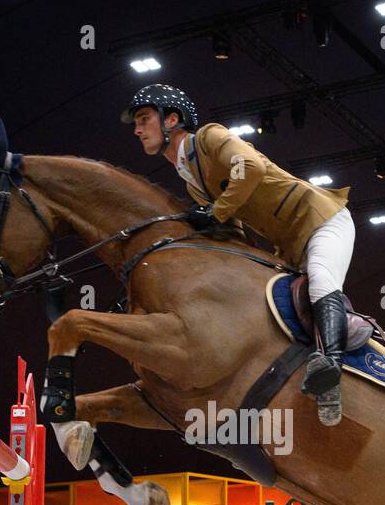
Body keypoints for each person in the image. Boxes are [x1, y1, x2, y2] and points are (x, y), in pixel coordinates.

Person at [122, 84, 356, 424]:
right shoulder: (192, 181)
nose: (137, 129)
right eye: (136, 123)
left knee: (321, 278)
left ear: (172, 119)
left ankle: (330, 368)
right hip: (288, 247)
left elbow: (251, 167)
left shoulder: (209, 137)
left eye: (144, 119)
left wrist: (215, 211)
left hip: (321, 220)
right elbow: (233, 230)